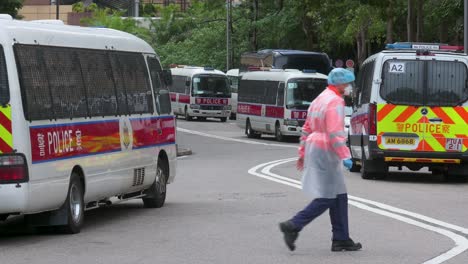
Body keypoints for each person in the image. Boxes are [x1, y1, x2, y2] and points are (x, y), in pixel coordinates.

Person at [279, 68, 362, 252]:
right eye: (347, 83)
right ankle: (293, 225)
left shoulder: (320, 98)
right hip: (327, 149)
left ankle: (341, 238)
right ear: (339, 83)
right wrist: (346, 156)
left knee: (340, 194)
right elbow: (335, 132)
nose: (349, 87)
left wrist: (302, 152)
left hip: (315, 147)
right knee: (327, 195)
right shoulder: (335, 101)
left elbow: (307, 127)